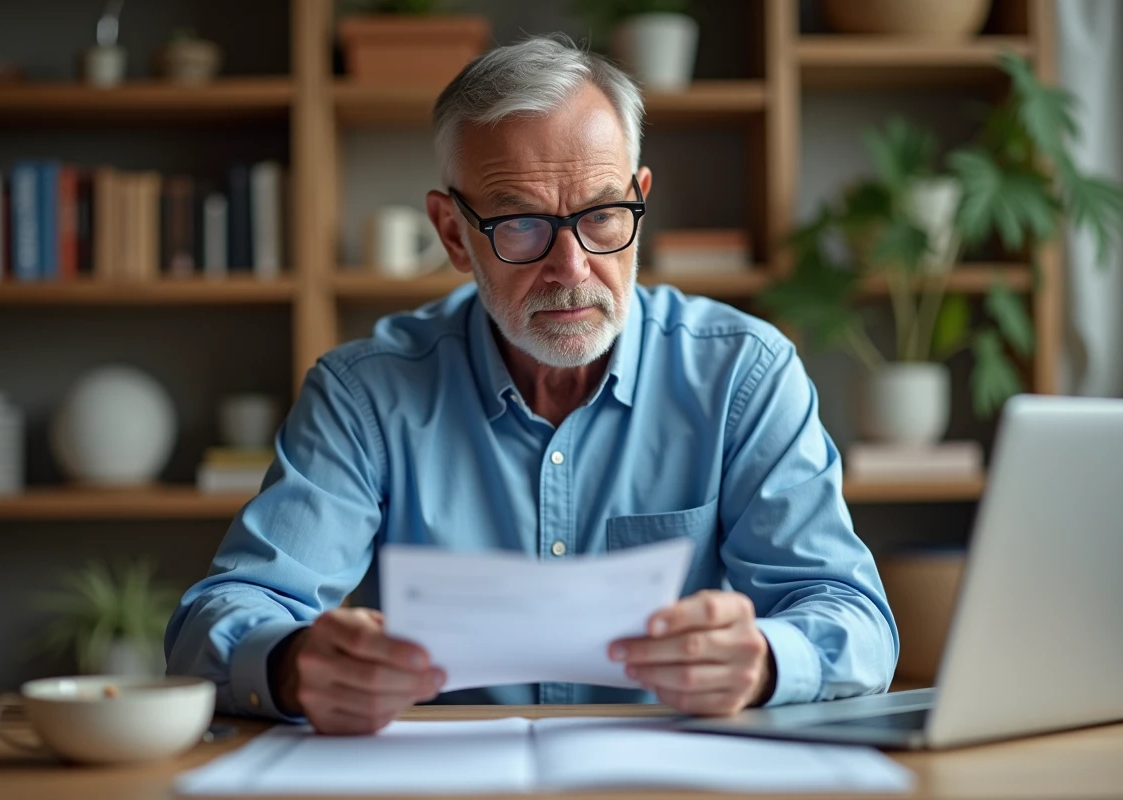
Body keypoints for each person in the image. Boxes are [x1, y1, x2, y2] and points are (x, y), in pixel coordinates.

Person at [166, 35, 898, 736]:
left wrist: (767, 660)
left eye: (604, 215)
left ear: (640, 201)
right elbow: (221, 615)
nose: (573, 269)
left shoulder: (743, 374)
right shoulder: (366, 395)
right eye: (521, 225)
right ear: (453, 233)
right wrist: (294, 665)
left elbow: (853, 618)